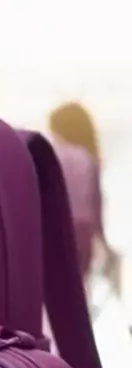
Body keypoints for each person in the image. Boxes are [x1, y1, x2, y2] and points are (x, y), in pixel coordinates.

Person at [48, 102, 120, 298]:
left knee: (56, 289)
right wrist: (103, 242)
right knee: (77, 289)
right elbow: (96, 205)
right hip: (83, 232)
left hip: (57, 227)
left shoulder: (52, 154)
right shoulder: (89, 158)